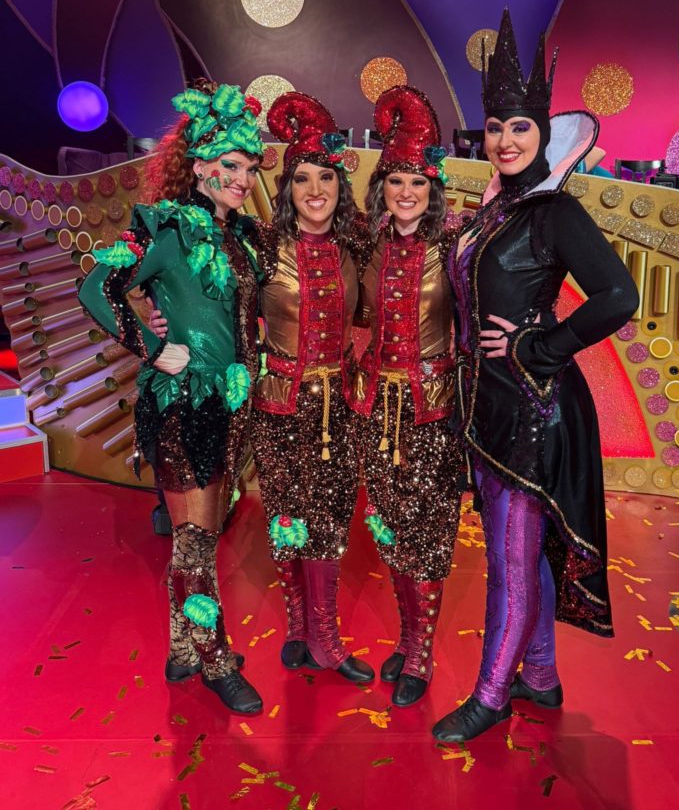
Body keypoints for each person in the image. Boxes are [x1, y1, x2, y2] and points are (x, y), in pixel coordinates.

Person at [432, 10, 639, 742]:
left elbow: (618, 296)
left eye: (520, 127)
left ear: (543, 133)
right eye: (495, 127)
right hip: (490, 405)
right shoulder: (498, 208)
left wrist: (539, 345)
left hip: (533, 407)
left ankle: (492, 694)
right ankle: (540, 675)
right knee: (520, 550)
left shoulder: (554, 210)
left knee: (511, 560)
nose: (506, 140)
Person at [78, 81, 265, 715]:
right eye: (231, 166)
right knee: (196, 540)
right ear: (201, 164)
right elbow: (96, 288)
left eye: (250, 168)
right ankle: (214, 660)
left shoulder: (239, 235)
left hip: (230, 403)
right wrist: (152, 347)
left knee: (199, 534)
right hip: (185, 404)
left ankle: (183, 649)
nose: (242, 179)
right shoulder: (168, 228)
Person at [244, 92, 374, 684]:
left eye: (326, 177)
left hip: (337, 407)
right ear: (287, 187)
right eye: (302, 178)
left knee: (328, 517)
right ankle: (298, 627)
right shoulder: (261, 248)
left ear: (340, 186)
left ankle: (324, 635)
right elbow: (229, 310)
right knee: (285, 516)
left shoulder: (356, 245)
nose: (315, 189)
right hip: (277, 406)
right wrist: (166, 324)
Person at [352, 86, 463, 707]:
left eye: (417, 183)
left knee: (429, 528)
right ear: (382, 188)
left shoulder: (455, 246)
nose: (406, 192)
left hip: (433, 410)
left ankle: (421, 650)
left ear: (432, 188)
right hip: (377, 408)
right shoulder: (367, 245)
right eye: (395, 182)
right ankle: (407, 635)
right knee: (390, 524)